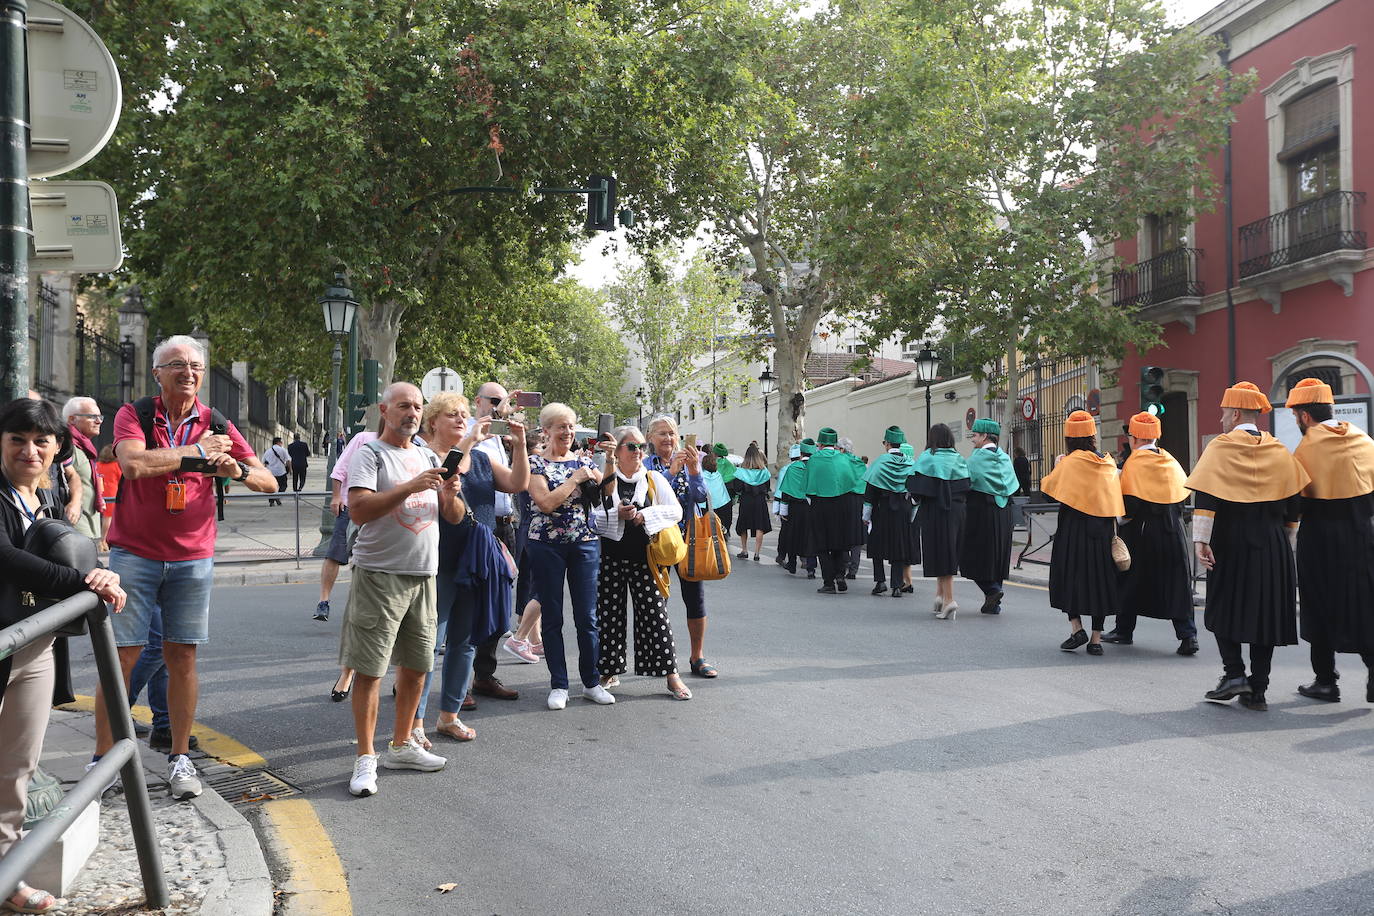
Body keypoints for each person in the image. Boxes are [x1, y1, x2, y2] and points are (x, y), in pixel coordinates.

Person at [92, 335, 274, 801]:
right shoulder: (137, 414)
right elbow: (132, 464)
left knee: (183, 658)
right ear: (158, 374)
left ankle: (178, 758)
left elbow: (265, 479)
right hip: (134, 553)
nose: (187, 372)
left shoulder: (215, 421)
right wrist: (197, 455)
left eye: (195, 365)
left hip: (194, 556)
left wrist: (231, 468)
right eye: (176, 364)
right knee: (123, 658)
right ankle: (101, 761)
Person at [0, 398, 126, 916]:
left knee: (15, 771)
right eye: (17, 440)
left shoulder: (47, 497)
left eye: (41, 441)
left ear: (57, 449)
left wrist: (99, 572)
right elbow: (8, 560)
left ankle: (7, 878)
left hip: (34, 647)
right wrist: (84, 581)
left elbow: (68, 549)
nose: (30, 450)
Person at [341, 383, 464, 797]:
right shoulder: (369, 453)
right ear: (384, 410)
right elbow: (358, 509)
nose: (411, 412)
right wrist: (412, 486)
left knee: (416, 666)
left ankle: (400, 746)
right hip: (379, 574)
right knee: (371, 670)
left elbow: (453, 516)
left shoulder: (428, 455)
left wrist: (449, 494)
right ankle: (365, 757)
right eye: (403, 406)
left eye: (416, 406)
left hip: (424, 574)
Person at [413, 393, 529, 745]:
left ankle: (449, 716)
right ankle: (414, 722)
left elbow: (517, 484)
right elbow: (446, 473)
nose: (462, 418)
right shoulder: (424, 455)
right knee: (428, 643)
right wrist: (469, 439)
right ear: (433, 421)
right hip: (438, 559)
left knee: (464, 643)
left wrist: (520, 445)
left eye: (464, 414)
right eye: (452, 414)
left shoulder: (479, 458)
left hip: (475, 559)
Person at [1187, 382, 1308, 710]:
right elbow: (1294, 504)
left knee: (1222, 606)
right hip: (1272, 542)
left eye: (1224, 412)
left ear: (1236, 412)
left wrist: (1201, 540)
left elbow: (1206, 496)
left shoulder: (1220, 447)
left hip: (1230, 540)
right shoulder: (1279, 449)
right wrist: (1287, 538)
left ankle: (1234, 674)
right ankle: (1258, 689)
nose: (1222, 418)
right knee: (1266, 614)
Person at [1285, 378, 1374, 704]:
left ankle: (1325, 680)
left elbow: (1296, 503)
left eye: (1296, 415)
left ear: (1304, 416)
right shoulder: (1365, 441)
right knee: (1365, 605)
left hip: (1321, 539)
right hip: (1363, 536)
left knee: (1319, 606)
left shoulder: (1307, 448)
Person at [527, 403, 614, 709]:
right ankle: (559, 684)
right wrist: (575, 479)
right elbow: (546, 503)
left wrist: (610, 461)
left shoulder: (585, 460)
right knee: (551, 616)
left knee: (587, 617)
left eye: (571, 426)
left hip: (585, 543)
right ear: (546, 431)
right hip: (546, 544)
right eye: (561, 426)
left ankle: (591, 682)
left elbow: (605, 495)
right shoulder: (534, 464)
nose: (567, 432)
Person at [593, 425, 691, 700]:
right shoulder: (607, 480)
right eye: (632, 446)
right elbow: (594, 517)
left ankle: (671, 674)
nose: (638, 452)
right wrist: (618, 515)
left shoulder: (654, 479)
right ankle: (608, 670)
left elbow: (675, 510)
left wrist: (644, 515)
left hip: (645, 558)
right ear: (618, 450)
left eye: (641, 447)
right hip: (610, 557)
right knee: (609, 615)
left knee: (655, 615)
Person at [1102, 412, 1198, 654]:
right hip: (1173, 531)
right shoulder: (1171, 462)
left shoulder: (1134, 463)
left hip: (1142, 532)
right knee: (1178, 585)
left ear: (1134, 439)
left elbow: (1130, 507)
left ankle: (1123, 630)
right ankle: (1188, 636)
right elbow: (1182, 498)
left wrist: (1118, 519)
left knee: (1130, 579)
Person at [1039, 411, 1124, 655]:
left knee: (1069, 578)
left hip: (1073, 531)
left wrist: (1058, 466)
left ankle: (1077, 628)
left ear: (1070, 438)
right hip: (1102, 532)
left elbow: (1048, 493)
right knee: (1101, 581)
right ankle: (1096, 640)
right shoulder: (1107, 462)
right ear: (1092, 436)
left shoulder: (1071, 462)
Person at [645, 415, 720, 677]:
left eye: (672, 433)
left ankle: (697, 657)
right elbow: (647, 497)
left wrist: (695, 472)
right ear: (650, 438)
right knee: (656, 601)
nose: (668, 438)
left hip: (688, 539)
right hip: (657, 540)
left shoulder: (690, 462)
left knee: (695, 599)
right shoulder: (645, 465)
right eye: (662, 434)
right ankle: (661, 658)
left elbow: (700, 497)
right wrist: (671, 473)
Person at [467, 382, 524, 704]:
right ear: (479, 402)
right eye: (494, 401)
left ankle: (483, 675)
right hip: (476, 529)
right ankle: (444, 678)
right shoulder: (473, 431)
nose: (501, 406)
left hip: (504, 526)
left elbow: (516, 481)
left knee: (496, 603)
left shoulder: (499, 435)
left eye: (503, 401)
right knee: (465, 604)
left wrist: (516, 441)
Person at [908, 424, 970, 618]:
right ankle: (940, 596)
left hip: (935, 511)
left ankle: (950, 599)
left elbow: (915, 487)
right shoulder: (958, 458)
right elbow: (966, 485)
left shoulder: (928, 457)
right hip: (957, 511)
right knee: (949, 549)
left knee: (940, 552)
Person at [961, 418, 1019, 614]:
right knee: (998, 556)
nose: (972, 439)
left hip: (981, 512)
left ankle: (992, 590)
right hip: (1005, 513)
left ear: (985, 436)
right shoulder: (1005, 458)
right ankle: (993, 603)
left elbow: (966, 483)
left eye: (975, 435)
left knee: (971, 554)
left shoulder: (976, 459)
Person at [803, 427, 867, 595]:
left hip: (820, 505)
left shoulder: (814, 459)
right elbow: (854, 478)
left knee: (822, 545)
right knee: (840, 543)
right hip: (842, 504)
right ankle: (840, 575)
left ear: (820, 443)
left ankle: (828, 582)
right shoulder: (844, 459)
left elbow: (808, 487)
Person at [863, 425, 918, 597]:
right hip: (903, 509)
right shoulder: (911, 463)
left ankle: (880, 582)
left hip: (883, 508)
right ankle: (896, 585)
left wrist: (866, 516)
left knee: (877, 546)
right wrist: (912, 513)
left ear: (887, 444)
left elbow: (870, 492)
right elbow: (916, 493)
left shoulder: (880, 462)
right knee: (899, 546)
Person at [61, 397, 105, 545]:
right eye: (93, 417)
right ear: (72, 419)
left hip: (88, 525)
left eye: (100, 417)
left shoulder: (84, 447)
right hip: (74, 527)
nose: (99, 421)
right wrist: (74, 502)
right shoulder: (65, 445)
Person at [775, 441, 817, 578]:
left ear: (801, 453)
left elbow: (786, 491)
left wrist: (783, 511)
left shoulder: (793, 468)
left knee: (793, 535)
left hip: (795, 508)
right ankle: (811, 568)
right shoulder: (817, 467)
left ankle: (792, 564)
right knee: (811, 536)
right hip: (812, 507)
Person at [732, 442, 772, 561]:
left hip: (746, 500)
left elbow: (737, 488)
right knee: (760, 525)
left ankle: (744, 550)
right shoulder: (764, 472)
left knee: (744, 524)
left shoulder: (741, 472)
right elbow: (767, 488)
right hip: (760, 501)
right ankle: (757, 553)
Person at [96, 442, 122, 546]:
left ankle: (100, 539)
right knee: (108, 518)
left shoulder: (97, 465)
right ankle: (104, 540)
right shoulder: (116, 466)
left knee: (100, 518)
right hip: (112, 494)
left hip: (99, 494)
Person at [709, 443, 737, 534]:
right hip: (728, 493)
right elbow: (734, 477)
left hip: (715, 494)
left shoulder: (711, 463)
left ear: (715, 453)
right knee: (726, 515)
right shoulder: (729, 464)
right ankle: (726, 531)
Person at [263, 436, 290, 505]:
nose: (282, 444)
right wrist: (290, 469)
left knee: (271, 487)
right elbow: (288, 461)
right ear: (278, 442)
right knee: (283, 486)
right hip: (281, 471)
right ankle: (277, 496)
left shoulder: (268, 451)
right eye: (281, 442)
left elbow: (264, 462)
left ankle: (271, 501)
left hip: (271, 472)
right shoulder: (283, 450)